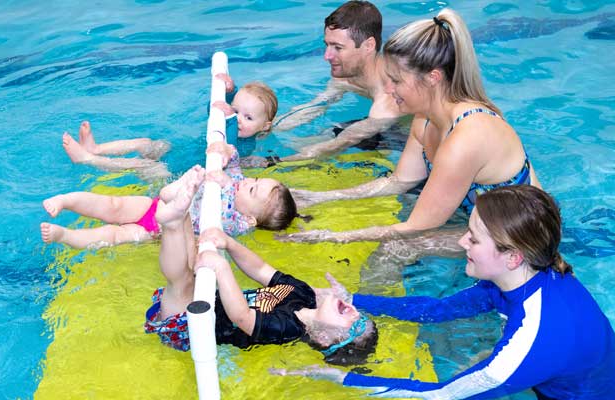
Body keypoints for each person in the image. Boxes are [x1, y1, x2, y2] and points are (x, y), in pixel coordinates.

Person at [273, 185, 615, 399]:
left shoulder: (530, 341)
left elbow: (436, 396)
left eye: (474, 238)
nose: (463, 241)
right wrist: (354, 300)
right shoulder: (526, 276)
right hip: (599, 369)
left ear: (512, 256)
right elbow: (434, 310)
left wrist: (342, 378)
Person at [281, 8, 541, 244]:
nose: (388, 89)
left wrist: (332, 237)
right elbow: (399, 182)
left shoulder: (465, 138)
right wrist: (318, 197)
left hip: (518, 237)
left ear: (432, 78)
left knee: (398, 249)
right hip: (478, 225)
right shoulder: (424, 118)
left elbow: (417, 228)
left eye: (395, 80)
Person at [143, 168, 378, 365]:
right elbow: (262, 269)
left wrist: (222, 269)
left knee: (181, 283)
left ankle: (173, 223)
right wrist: (230, 244)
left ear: (326, 339)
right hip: (208, 301)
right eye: (362, 316)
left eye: (356, 325)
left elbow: (243, 317)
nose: (356, 312)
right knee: (192, 259)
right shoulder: (303, 293)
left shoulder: (287, 329)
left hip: (188, 329)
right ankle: (179, 209)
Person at [40, 143, 296, 249]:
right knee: (113, 205)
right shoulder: (240, 182)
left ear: (251, 219)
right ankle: (66, 200)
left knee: (114, 235)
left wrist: (227, 182)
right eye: (257, 179)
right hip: (155, 206)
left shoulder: (237, 224)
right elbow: (236, 164)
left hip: (159, 232)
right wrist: (227, 151)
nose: (249, 182)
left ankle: (66, 236)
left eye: (253, 189)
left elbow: (228, 202)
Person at [61, 73, 278, 178]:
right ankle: (96, 148)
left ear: (265, 126)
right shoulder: (233, 122)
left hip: (177, 175)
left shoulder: (243, 144)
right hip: (178, 154)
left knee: (147, 166)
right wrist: (229, 92)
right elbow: (215, 112)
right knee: (147, 144)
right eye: (236, 111)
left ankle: (87, 159)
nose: (239, 118)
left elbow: (227, 144)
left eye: (248, 118)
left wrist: (230, 117)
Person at [265, 0, 404, 163]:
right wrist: (264, 126)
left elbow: (340, 144)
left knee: (329, 141)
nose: (327, 56)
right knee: (317, 137)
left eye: (338, 48)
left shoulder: (389, 96)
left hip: (401, 135)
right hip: (369, 123)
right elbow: (314, 107)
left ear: (368, 45)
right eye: (327, 45)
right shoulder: (346, 74)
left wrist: (272, 162)